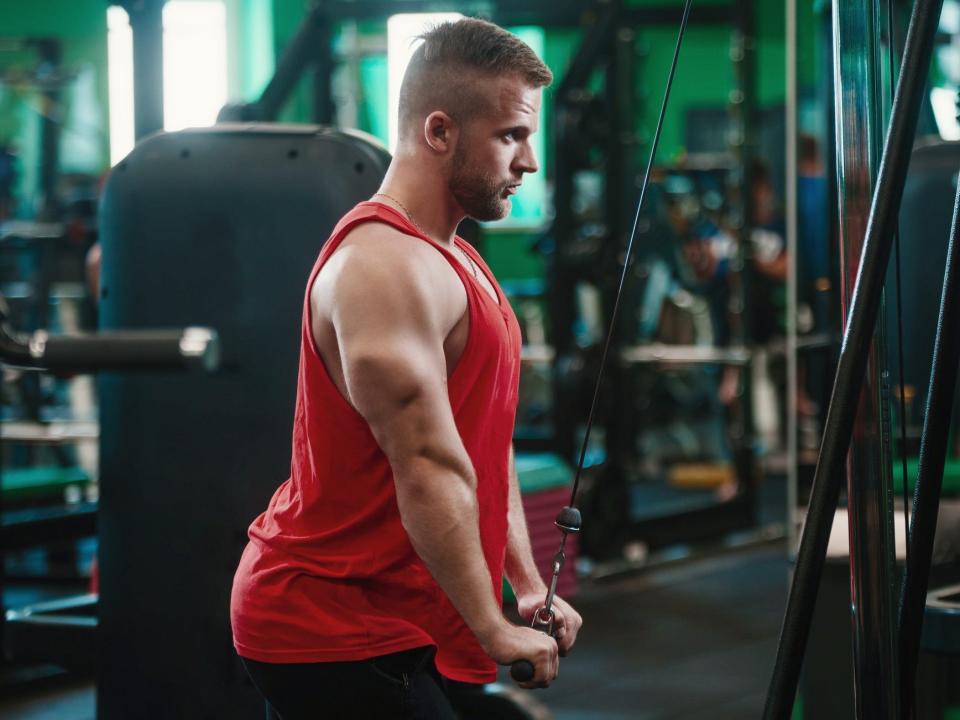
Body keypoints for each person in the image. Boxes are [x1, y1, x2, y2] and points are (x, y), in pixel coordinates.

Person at [230, 18, 582, 719]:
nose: (530, 161)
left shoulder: (454, 256)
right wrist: (492, 627)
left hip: (396, 615)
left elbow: (481, 444)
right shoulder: (382, 267)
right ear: (440, 131)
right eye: (511, 135)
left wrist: (524, 583)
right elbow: (425, 462)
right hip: (327, 621)